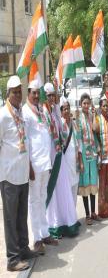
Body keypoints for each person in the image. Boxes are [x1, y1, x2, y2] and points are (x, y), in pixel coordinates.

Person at [0, 76, 37, 272]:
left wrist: (29, 167)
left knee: (22, 215)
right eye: (14, 92)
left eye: (19, 91)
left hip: (22, 173)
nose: (18, 94)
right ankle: (13, 259)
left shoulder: (20, 111)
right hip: (9, 175)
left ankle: (23, 249)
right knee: (10, 218)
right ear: (8, 94)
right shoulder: (3, 115)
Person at [22, 79, 58, 255]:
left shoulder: (42, 111)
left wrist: (49, 163)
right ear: (28, 93)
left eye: (38, 93)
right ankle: (35, 239)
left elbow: (47, 135)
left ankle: (44, 233)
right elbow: (25, 140)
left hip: (45, 163)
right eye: (33, 93)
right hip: (34, 166)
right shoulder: (25, 113)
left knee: (43, 198)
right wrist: (28, 165)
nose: (36, 96)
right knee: (34, 201)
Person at [46, 97, 81, 239]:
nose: (66, 111)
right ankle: (67, 219)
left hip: (74, 162)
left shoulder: (73, 124)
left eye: (68, 108)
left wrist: (80, 158)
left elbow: (78, 142)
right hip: (65, 164)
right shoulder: (60, 124)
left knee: (74, 191)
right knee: (66, 191)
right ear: (61, 111)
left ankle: (72, 217)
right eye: (64, 109)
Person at [76, 93, 99, 225]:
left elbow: (95, 131)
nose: (86, 105)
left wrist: (95, 115)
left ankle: (94, 212)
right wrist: (80, 160)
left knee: (92, 183)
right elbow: (78, 139)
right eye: (84, 103)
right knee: (85, 184)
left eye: (87, 103)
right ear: (81, 105)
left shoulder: (91, 116)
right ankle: (87, 214)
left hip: (93, 153)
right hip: (84, 154)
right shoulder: (78, 119)